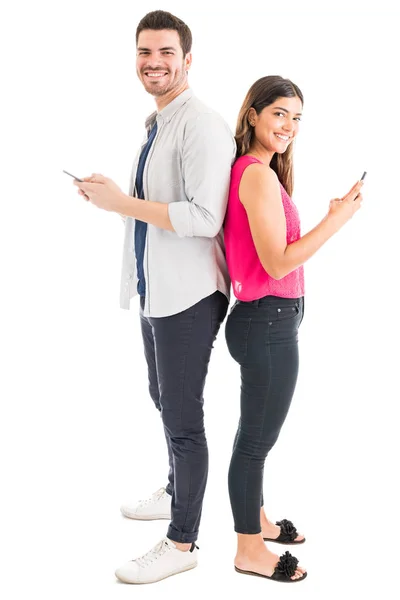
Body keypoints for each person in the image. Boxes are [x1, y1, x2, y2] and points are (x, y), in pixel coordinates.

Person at [74, 10, 236, 585]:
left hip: (191, 294)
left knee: (184, 419)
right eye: (145, 52)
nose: (154, 62)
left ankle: (183, 540)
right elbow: (157, 206)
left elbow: (203, 216)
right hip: (157, 290)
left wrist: (122, 203)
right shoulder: (157, 122)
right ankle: (176, 490)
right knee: (160, 395)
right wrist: (111, 197)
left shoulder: (202, 124)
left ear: (188, 61)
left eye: (166, 52)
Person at [223, 75, 363, 583]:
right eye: (280, 113)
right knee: (255, 443)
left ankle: (256, 519)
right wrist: (337, 220)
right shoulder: (255, 174)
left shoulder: (262, 171)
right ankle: (248, 550)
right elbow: (278, 264)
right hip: (267, 324)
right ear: (254, 114)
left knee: (254, 435)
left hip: (268, 322)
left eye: (297, 117)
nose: (289, 126)